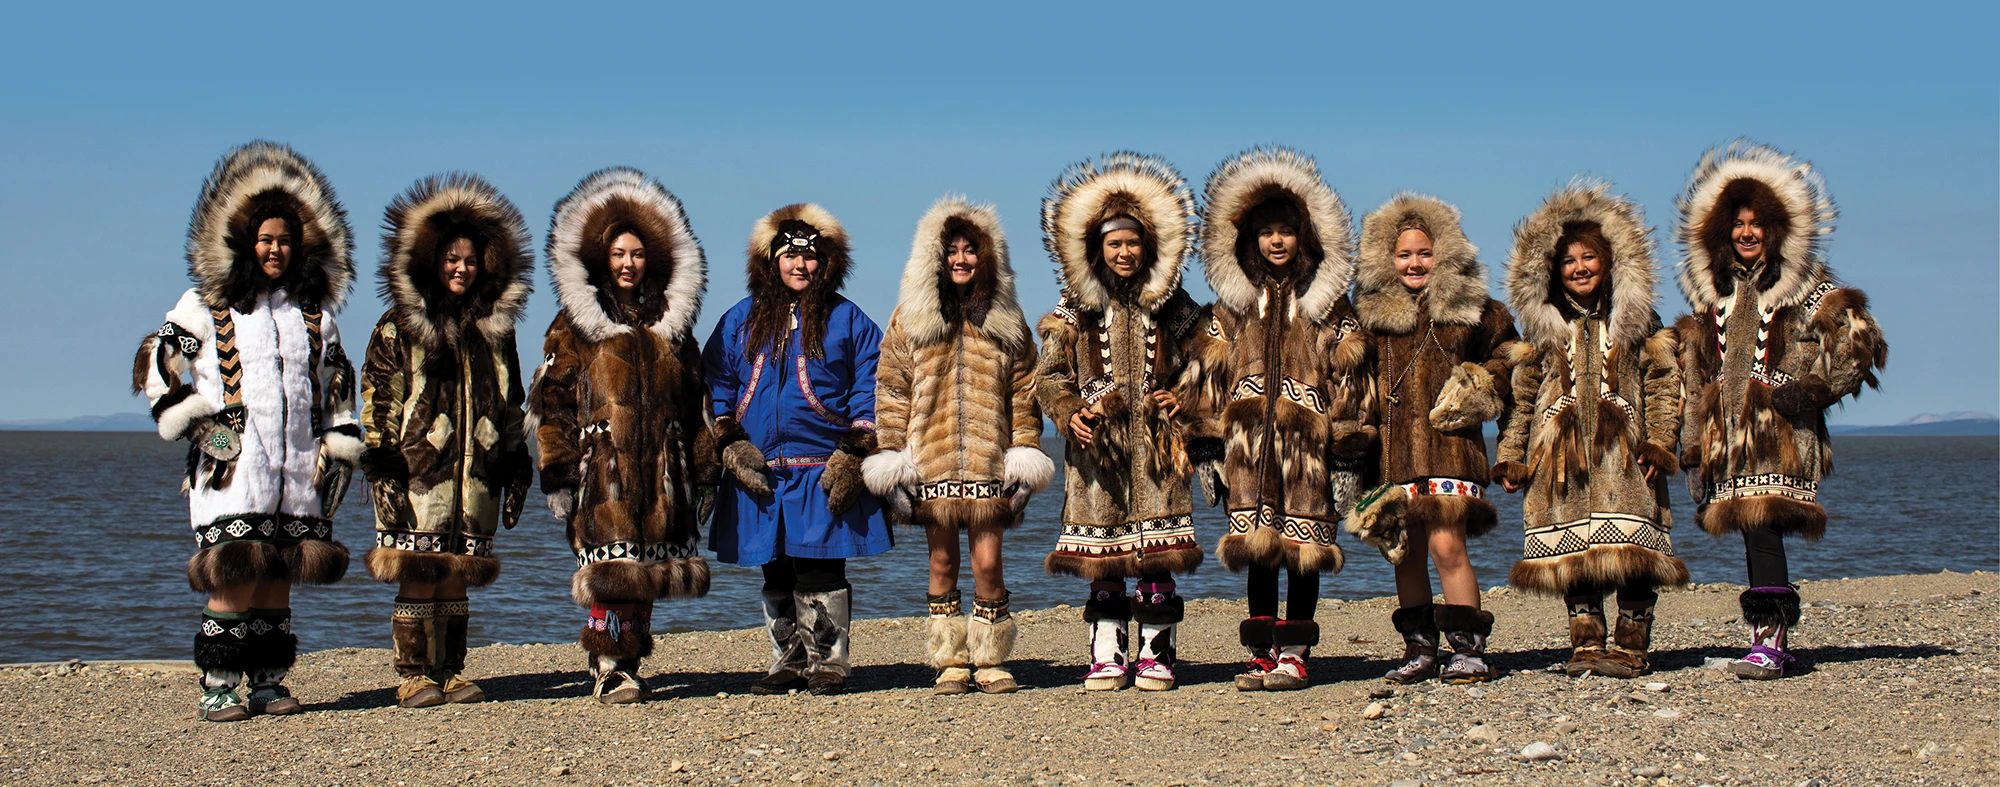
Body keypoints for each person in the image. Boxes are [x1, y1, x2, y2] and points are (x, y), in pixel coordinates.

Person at [132, 141, 361, 721]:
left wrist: (339, 443)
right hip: (232, 466)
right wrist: (193, 422)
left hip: (298, 466)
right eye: (266, 239)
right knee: (235, 570)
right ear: (245, 242)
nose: (275, 249)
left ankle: (267, 680)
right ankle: (217, 681)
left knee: (280, 572)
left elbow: (337, 384)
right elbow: (158, 359)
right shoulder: (206, 305)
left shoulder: (315, 315)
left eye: (284, 240)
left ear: (299, 244)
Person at [1670, 142, 1886, 679]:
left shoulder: (1808, 286)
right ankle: (1768, 637)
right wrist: (1693, 449)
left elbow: (1862, 339)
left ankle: (1770, 642)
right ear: (1723, 231)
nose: (1747, 233)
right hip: (1728, 441)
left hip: (1782, 434)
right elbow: (1697, 381)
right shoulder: (1712, 299)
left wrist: (1813, 389)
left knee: (1763, 526)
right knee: (1748, 527)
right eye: (1738, 224)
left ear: (1775, 228)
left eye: (1757, 223)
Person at [530, 168, 715, 703]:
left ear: (650, 259)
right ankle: (606, 665)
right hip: (601, 467)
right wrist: (556, 473)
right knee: (612, 564)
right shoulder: (573, 322)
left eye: (635, 254)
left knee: (647, 564)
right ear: (601, 260)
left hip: (662, 465)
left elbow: (697, 400)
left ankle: (630, 662)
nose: (627, 263)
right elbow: (552, 399)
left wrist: (705, 474)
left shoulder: (672, 324)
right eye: (617, 254)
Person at [1492, 180, 1688, 678]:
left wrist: (1661, 443)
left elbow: (1664, 383)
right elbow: (1522, 396)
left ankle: (1630, 646)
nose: (1579, 268)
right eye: (1568, 261)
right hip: (1556, 456)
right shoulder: (1543, 327)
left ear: (1610, 262)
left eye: (1589, 258)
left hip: (1624, 454)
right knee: (1572, 551)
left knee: (1634, 554)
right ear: (1551, 271)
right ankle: (1586, 644)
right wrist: (1512, 455)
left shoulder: (1639, 321)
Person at [1193, 147, 1371, 691]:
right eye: (1266, 232)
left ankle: (1296, 652)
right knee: (1259, 549)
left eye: (1286, 231)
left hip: (1310, 453)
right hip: (1246, 452)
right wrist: (1206, 449)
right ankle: (1260, 652)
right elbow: (1206, 377)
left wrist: (1345, 452)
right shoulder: (1232, 305)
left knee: (1304, 550)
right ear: (1249, 239)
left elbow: (1355, 380)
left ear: (1305, 236)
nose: (1276, 241)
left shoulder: (1328, 304)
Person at [1035, 152, 1209, 691]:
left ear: (1148, 244)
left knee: (1157, 564)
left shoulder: (1174, 302)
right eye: (1115, 243)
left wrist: (1185, 394)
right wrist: (1069, 411)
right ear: (1097, 248)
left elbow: (1212, 353)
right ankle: (1106, 654)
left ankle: (1157, 655)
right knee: (1103, 561)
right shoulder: (1074, 307)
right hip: (1097, 451)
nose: (1125, 251)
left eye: (1133, 242)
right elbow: (1047, 375)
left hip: (1158, 448)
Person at [360, 173, 535, 707]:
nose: (461, 268)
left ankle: (451, 670)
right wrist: (382, 462)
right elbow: (380, 396)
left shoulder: (495, 331)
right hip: (418, 473)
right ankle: (413, 674)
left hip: (477, 476)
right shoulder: (399, 325)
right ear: (431, 259)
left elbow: (511, 402)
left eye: (471, 259)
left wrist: (515, 464)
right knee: (419, 572)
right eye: (451, 258)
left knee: (457, 574)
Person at [865, 197, 1050, 695]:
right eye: (952, 250)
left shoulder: (1008, 320)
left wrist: (1025, 452)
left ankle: (989, 657)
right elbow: (891, 388)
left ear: (988, 256)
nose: (962, 259)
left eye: (972, 250)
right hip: (931, 463)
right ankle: (950, 658)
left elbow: (1025, 391)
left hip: (992, 464)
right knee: (941, 562)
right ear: (935, 257)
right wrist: (890, 458)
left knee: (989, 563)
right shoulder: (910, 318)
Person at [706, 203, 889, 696]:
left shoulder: (849, 320)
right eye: (789, 256)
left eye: (810, 258)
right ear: (770, 261)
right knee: (775, 567)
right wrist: (728, 438)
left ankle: (828, 661)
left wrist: (856, 449)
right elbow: (717, 381)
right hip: (760, 467)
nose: (800, 266)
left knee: (820, 567)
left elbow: (872, 385)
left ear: (826, 264)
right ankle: (788, 659)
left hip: (822, 466)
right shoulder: (738, 321)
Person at [1347, 193, 1519, 685]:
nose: (1414, 262)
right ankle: (1420, 649)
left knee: (1447, 548)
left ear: (1444, 254)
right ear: (1387, 258)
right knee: (1405, 550)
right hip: (1392, 457)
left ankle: (1469, 649)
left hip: (1451, 447)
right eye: (1404, 254)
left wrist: (1480, 387)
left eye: (1424, 253)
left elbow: (1510, 354)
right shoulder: (1371, 313)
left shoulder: (1473, 307)